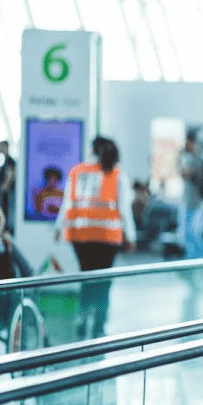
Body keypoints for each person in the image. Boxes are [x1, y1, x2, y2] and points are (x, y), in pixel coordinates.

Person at [54, 136, 136, 339]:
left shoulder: (77, 171)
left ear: (92, 150)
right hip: (107, 236)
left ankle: (83, 316)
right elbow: (124, 209)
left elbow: (66, 203)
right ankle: (99, 322)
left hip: (80, 236)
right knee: (103, 280)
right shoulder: (116, 174)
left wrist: (58, 227)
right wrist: (131, 236)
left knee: (87, 277)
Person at [179, 128, 203, 259]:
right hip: (190, 202)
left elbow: (184, 174)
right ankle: (192, 260)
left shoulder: (197, 159)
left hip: (194, 203)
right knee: (189, 236)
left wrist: (179, 158)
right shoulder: (194, 158)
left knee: (192, 235)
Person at [0, 140, 16, 232]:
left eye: (1, 146)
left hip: (6, 192)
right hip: (3, 191)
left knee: (5, 211)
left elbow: (10, 174)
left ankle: (5, 229)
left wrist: (5, 187)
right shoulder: (3, 160)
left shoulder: (10, 161)